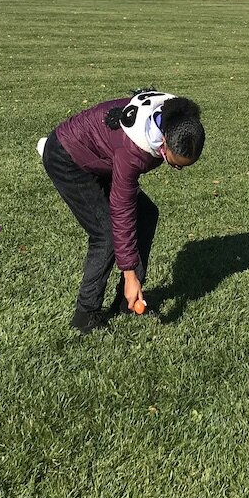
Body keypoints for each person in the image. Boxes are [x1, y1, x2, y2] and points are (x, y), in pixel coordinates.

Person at [38, 90, 204, 334]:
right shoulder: (133, 150)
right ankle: (86, 316)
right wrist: (128, 273)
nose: (177, 168)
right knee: (106, 235)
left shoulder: (175, 116)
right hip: (68, 158)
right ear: (165, 142)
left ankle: (129, 303)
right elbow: (121, 208)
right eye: (175, 164)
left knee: (146, 214)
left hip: (101, 157)